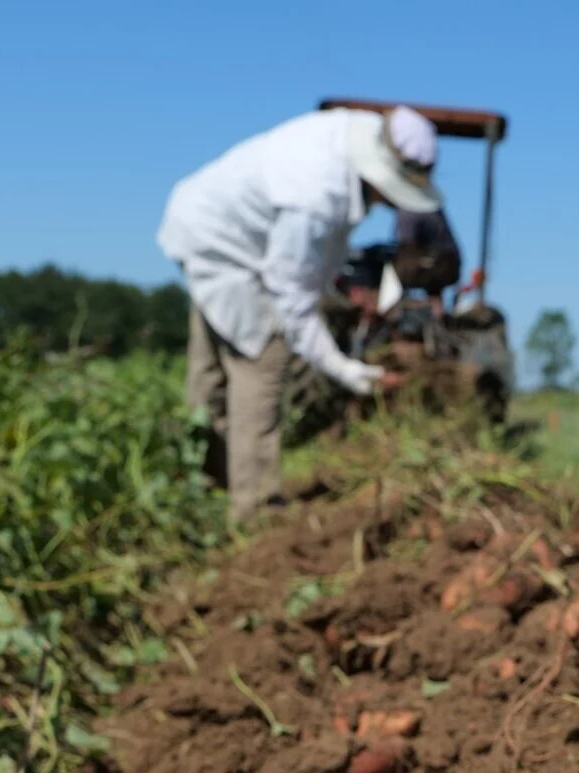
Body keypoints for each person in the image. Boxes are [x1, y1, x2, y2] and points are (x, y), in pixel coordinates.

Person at [157, 105, 444, 522]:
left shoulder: (353, 132)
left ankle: (200, 489)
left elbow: (321, 255)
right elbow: (289, 295)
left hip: (207, 225)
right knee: (265, 358)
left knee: (211, 375)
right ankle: (255, 511)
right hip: (226, 251)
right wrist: (343, 369)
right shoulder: (315, 192)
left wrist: (336, 289)